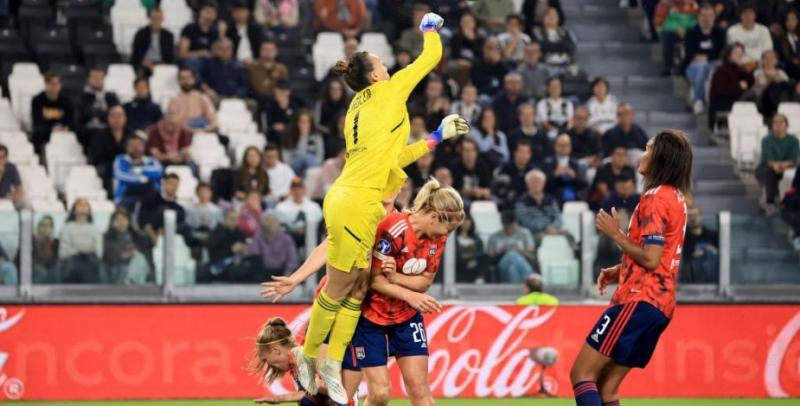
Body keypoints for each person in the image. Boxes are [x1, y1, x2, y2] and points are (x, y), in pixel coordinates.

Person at [294, 13, 457, 404]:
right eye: (381, 63)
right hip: (354, 201)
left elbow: (393, 160)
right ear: (374, 76)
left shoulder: (359, 108)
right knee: (338, 290)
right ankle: (308, 355)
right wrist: (429, 27)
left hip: (358, 200)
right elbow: (429, 59)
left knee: (354, 291)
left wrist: (435, 138)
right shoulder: (387, 91)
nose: (387, 65)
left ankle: (331, 362)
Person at [570, 129, 692, 406]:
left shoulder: (654, 199)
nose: (642, 154)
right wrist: (621, 268)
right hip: (660, 305)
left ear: (660, 157)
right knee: (606, 389)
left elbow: (650, 257)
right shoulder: (676, 198)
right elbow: (662, 256)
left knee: (582, 374)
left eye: (648, 148)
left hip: (639, 300)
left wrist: (616, 235)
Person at [341, 178, 464, 406]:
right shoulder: (393, 229)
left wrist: (396, 276)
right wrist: (410, 295)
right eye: (447, 228)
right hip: (370, 317)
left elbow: (425, 282)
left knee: (421, 393)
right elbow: (373, 281)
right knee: (379, 395)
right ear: (434, 216)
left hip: (406, 317)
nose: (446, 235)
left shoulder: (438, 239)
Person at [248, 317, 335, 405]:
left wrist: (282, 398)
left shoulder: (306, 356)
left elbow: (330, 389)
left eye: (266, 360)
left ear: (276, 350)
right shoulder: (295, 365)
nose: (269, 365)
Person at [683, 3, 726, 115]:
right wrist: (707, 58)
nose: (706, 18)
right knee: (702, 67)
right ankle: (698, 101)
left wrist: (706, 58)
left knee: (705, 66)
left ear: (714, 17)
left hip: (714, 65)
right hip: (693, 66)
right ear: (699, 17)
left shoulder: (720, 32)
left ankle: (699, 100)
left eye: (709, 15)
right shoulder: (691, 32)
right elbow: (689, 53)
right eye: (704, 15)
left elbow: (723, 53)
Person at [756, 114, 798, 215]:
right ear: (772, 125)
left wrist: (783, 166)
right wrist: (776, 166)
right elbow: (769, 160)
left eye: (781, 122)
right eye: (775, 122)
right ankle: (770, 202)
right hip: (767, 167)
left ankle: (788, 201)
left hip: (787, 167)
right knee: (769, 172)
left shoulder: (793, 141)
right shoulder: (766, 140)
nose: (778, 125)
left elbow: (793, 159)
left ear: (786, 125)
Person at [708, 43, 754, 128]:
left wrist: (748, 70)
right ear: (728, 55)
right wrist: (739, 87)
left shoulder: (740, 70)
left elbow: (750, 83)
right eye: (736, 53)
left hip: (737, 103)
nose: (739, 56)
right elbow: (723, 91)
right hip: (723, 104)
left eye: (741, 54)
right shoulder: (721, 71)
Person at [113, 135, 164, 211]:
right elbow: (121, 175)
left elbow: (159, 172)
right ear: (126, 148)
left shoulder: (152, 161)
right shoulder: (120, 160)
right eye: (132, 146)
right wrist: (141, 179)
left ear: (144, 147)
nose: (136, 148)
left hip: (150, 195)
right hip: (126, 195)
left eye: (138, 145)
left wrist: (140, 170)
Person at [89, 106, 131, 195]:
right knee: (102, 171)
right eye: (113, 116)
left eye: (119, 116)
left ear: (125, 118)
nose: (117, 119)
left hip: (127, 165)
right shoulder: (100, 135)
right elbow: (96, 156)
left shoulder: (131, 134)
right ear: (108, 118)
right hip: (107, 167)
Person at [102, 209, 151, 285]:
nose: (121, 222)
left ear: (129, 221)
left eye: (123, 219)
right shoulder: (107, 238)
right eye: (117, 219)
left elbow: (146, 257)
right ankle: (132, 282)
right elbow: (111, 258)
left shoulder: (138, 237)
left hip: (137, 267)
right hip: (116, 268)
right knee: (134, 261)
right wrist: (128, 255)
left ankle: (132, 281)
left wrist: (131, 254)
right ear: (112, 223)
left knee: (139, 258)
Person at [58, 199, 102, 283]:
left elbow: (99, 251)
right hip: (71, 262)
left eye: (85, 205)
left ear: (89, 210)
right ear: (74, 210)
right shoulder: (67, 228)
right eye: (79, 205)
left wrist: (82, 249)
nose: (82, 207)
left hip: (91, 261)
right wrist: (80, 250)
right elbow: (63, 252)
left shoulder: (95, 229)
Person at [488, 211, 537, 283]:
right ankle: (530, 277)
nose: (508, 228)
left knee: (512, 269)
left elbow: (530, 251)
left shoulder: (524, 233)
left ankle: (516, 291)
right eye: (506, 225)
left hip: (522, 259)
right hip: (502, 262)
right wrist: (502, 251)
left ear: (515, 223)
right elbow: (489, 255)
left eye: (510, 225)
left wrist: (518, 249)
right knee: (511, 254)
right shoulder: (494, 237)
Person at [31, 71, 73, 154]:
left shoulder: (66, 101)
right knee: (37, 134)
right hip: (45, 133)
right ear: (46, 84)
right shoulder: (37, 101)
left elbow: (70, 121)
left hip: (63, 132)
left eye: (57, 84)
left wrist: (64, 128)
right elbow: (37, 122)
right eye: (52, 83)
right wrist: (51, 129)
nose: (55, 86)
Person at [247, 213, 299, 280]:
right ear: (263, 224)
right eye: (268, 221)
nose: (270, 224)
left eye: (273, 221)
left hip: (283, 272)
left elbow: (293, 259)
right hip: (263, 273)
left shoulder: (287, 239)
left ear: (278, 224)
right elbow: (254, 256)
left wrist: (288, 272)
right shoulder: (257, 238)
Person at [275, 177, 323, 247]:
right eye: (294, 189)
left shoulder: (314, 207)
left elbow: (319, 224)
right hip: (291, 236)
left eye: (300, 189)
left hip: (310, 234)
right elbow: (281, 227)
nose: (297, 192)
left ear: (304, 190)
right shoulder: (281, 207)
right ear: (290, 190)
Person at [654, 0, 699, 76]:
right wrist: (676, 28)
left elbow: (697, 20)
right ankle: (668, 67)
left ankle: (686, 67)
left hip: (689, 30)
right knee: (668, 36)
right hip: (670, 30)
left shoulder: (692, 4)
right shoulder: (664, 3)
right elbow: (658, 22)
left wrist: (687, 30)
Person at [168, 67, 219, 133]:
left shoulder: (202, 98)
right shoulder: (174, 100)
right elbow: (172, 124)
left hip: (202, 133)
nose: (186, 81)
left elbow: (214, 122)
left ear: (194, 79)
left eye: (188, 78)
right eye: (183, 78)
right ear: (179, 81)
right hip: (182, 135)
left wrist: (203, 130)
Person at [204, 208, 249, 282]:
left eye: (236, 219)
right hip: (219, 263)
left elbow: (245, 247)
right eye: (231, 219)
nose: (234, 221)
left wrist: (244, 248)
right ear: (224, 219)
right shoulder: (216, 232)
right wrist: (231, 249)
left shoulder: (239, 232)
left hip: (238, 262)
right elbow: (213, 253)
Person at [79, 67, 120, 146]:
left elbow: (117, 114)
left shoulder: (111, 96)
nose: (97, 80)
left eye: (100, 78)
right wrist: (105, 113)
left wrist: (95, 115)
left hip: (110, 132)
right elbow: (82, 117)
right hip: (89, 134)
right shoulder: (82, 98)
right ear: (88, 79)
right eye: (94, 78)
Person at [515, 169, 562, 238]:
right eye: (533, 182)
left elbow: (558, 217)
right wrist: (545, 228)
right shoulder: (521, 201)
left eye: (538, 181)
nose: (536, 184)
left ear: (543, 184)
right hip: (532, 233)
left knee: (568, 235)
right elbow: (525, 221)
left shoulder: (551, 200)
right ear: (527, 184)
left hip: (552, 230)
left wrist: (552, 227)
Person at [542, 134, 587, 204]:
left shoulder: (575, 163)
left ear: (570, 147)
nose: (563, 148)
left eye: (566, 145)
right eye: (561, 145)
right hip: (553, 198)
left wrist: (574, 176)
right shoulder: (548, 162)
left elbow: (583, 185)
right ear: (555, 146)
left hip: (574, 198)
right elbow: (543, 185)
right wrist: (555, 174)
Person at [131, 8, 175, 76]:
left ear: (162, 19)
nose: (156, 21)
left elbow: (170, 55)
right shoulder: (141, 34)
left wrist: (159, 65)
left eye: (158, 18)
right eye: (154, 18)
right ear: (149, 19)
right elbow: (135, 54)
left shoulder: (168, 36)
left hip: (162, 64)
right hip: (144, 63)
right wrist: (145, 63)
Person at [726, 3, 773, 67]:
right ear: (740, 15)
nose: (748, 16)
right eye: (745, 13)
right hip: (740, 65)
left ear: (755, 15)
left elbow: (768, 51)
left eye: (751, 13)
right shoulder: (732, 31)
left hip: (761, 65)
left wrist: (758, 63)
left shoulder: (764, 30)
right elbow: (732, 54)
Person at [681, 206, 719, 283]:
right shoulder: (682, 238)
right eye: (690, 216)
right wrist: (693, 256)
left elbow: (723, 256)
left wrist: (710, 250)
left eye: (695, 215)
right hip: (691, 280)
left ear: (700, 216)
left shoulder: (713, 235)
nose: (693, 218)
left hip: (713, 279)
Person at [494, 141, 536, 208]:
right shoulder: (504, 169)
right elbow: (500, 192)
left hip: (528, 206)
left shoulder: (533, 172)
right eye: (521, 152)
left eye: (526, 153)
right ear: (515, 153)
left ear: (530, 155)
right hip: (508, 205)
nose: (523, 155)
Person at [177, 1, 221, 66]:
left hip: (209, 64)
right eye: (207, 12)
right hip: (191, 63)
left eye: (212, 13)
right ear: (200, 12)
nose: (209, 16)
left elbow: (216, 52)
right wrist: (200, 54)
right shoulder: (189, 29)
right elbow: (182, 54)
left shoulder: (215, 31)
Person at [451, 138, 493, 202]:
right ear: (462, 152)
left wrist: (482, 192)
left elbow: (488, 188)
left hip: (481, 199)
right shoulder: (455, 166)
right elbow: (453, 190)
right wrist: (470, 192)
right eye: (466, 150)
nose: (469, 153)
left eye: (472, 150)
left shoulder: (483, 166)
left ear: (476, 153)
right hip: (460, 199)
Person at [456, 215, 488, 283]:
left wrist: (473, 260)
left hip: (475, 262)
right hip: (461, 264)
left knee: (485, 257)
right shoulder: (454, 239)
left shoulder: (476, 239)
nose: (466, 224)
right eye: (464, 221)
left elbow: (480, 253)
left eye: (468, 222)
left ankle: (480, 277)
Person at [32, 215, 59, 283]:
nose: (45, 228)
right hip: (34, 269)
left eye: (49, 226)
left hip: (52, 269)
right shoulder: (31, 241)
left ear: (52, 229)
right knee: (41, 271)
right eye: (43, 225)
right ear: (38, 227)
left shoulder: (57, 242)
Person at [777, 10, 800, 79]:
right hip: (789, 67)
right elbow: (781, 57)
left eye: (793, 19)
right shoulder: (780, 38)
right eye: (788, 20)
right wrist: (793, 60)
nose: (790, 23)